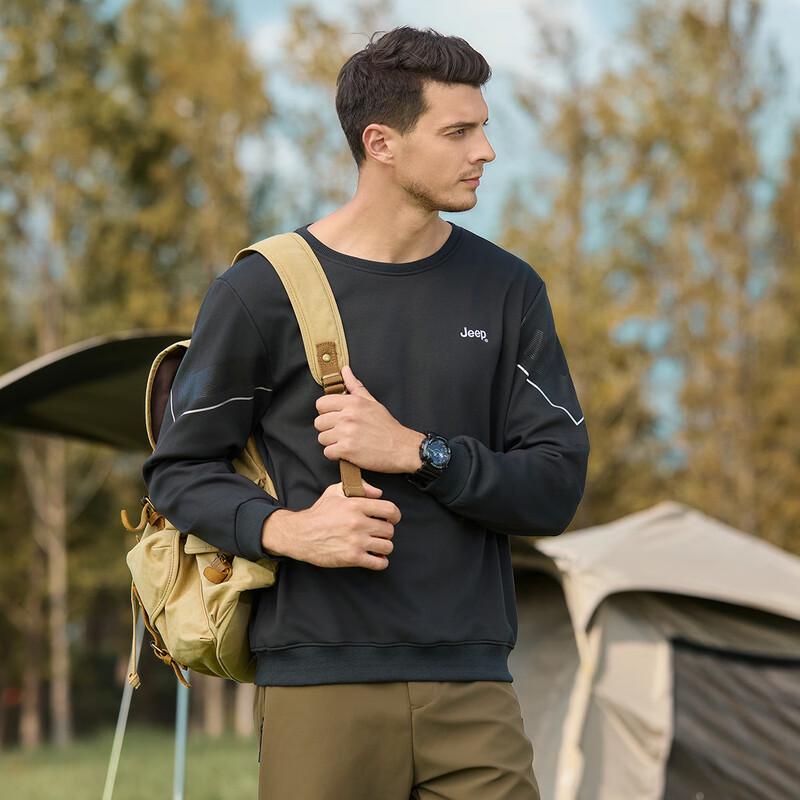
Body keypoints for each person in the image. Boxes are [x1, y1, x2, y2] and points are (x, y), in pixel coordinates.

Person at [143, 24, 589, 800]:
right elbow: (177, 472)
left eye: (483, 127)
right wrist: (288, 531)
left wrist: (420, 451)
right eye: (458, 132)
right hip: (319, 687)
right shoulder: (259, 291)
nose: (485, 151)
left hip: (475, 687)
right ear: (381, 143)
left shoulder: (508, 290)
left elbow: (555, 487)